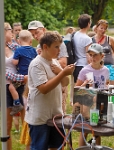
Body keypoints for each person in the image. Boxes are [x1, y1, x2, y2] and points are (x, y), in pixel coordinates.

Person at [24, 31, 75, 149]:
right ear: (45, 47)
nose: (59, 50)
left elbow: (65, 83)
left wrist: (61, 73)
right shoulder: (37, 64)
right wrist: (62, 73)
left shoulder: (54, 61)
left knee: (57, 146)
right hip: (40, 117)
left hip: (55, 115)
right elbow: (44, 88)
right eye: (56, 47)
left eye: (60, 47)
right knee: (40, 147)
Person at [28, 20, 69, 114]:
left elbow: (63, 63)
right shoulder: (38, 47)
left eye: (37, 32)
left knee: (60, 112)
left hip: (58, 85)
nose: (35, 36)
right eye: (32, 34)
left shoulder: (57, 42)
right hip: (42, 107)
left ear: (44, 29)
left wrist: (47, 61)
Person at [76, 43, 109, 146]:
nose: (92, 58)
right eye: (90, 55)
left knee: (97, 131)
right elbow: (76, 89)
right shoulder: (85, 70)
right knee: (85, 129)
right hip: (87, 104)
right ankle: (81, 148)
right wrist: (85, 84)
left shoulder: (106, 70)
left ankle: (97, 147)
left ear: (102, 56)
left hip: (100, 103)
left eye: (95, 55)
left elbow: (105, 85)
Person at [5, 22, 25, 150]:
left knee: (26, 122)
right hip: (7, 88)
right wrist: (22, 77)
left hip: (21, 86)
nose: (12, 33)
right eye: (10, 30)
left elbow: (24, 60)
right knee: (7, 125)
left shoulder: (14, 46)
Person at [9, 30, 37, 116]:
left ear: (19, 41)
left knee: (11, 87)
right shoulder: (33, 50)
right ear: (30, 41)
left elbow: (15, 62)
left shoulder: (18, 50)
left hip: (22, 75)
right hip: (32, 75)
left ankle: (17, 103)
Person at [92, 19, 114, 85]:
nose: (103, 30)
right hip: (97, 67)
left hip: (110, 67)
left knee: (112, 89)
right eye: (101, 28)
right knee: (99, 89)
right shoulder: (91, 40)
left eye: (105, 29)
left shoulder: (109, 39)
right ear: (97, 27)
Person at [73, 14, 92, 83]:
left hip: (76, 65)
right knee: (89, 89)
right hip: (85, 66)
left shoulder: (75, 34)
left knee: (77, 90)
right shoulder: (87, 39)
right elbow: (89, 56)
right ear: (88, 23)